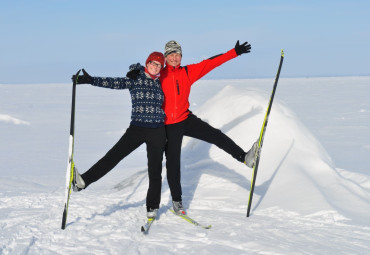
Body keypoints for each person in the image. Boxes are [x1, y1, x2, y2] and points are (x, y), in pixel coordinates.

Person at [128, 40, 258, 215]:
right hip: (167, 125)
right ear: (165, 58)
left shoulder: (188, 72)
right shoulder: (160, 74)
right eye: (171, 55)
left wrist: (234, 52)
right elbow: (144, 72)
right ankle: (175, 201)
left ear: (181, 56)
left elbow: (211, 62)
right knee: (173, 164)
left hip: (185, 118)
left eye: (177, 54)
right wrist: (134, 70)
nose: (174, 58)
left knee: (215, 135)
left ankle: (244, 157)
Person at [71, 52, 166, 219]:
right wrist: (91, 80)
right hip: (137, 128)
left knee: (155, 170)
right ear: (147, 63)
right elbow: (115, 83)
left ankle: (152, 207)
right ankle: (82, 182)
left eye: (159, 65)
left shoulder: (162, 82)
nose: (156, 67)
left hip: (157, 131)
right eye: (153, 63)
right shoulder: (135, 78)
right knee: (113, 157)